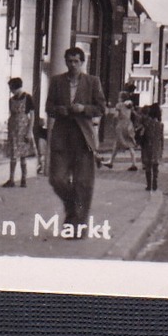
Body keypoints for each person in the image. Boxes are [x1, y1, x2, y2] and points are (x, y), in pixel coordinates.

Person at [46, 47, 107, 234]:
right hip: (62, 137)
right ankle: (72, 206)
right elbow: (49, 106)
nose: (72, 64)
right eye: (69, 61)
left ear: (82, 63)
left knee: (83, 183)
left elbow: (101, 108)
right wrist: (58, 110)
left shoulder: (92, 82)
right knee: (56, 178)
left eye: (76, 61)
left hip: (83, 139)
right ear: (65, 62)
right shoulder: (57, 82)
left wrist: (84, 109)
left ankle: (78, 226)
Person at [2, 77, 36, 188]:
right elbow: (11, 114)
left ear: (16, 87)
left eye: (11, 88)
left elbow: (32, 115)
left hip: (23, 128)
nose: (11, 90)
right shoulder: (11, 100)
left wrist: (29, 131)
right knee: (13, 154)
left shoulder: (28, 97)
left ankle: (23, 179)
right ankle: (11, 179)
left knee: (23, 155)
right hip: (13, 128)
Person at [104, 94, 141, 170]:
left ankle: (111, 161)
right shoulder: (130, 105)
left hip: (121, 125)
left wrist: (113, 122)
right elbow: (135, 114)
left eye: (119, 97)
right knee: (130, 144)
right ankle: (134, 163)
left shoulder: (119, 105)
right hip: (129, 125)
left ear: (121, 98)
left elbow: (116, 116)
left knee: (117, 143)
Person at [139, 103, 165, 192]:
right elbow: (161, 138)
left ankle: (148, 185)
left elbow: (142, 135)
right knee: (155, 166)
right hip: (156, 147)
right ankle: (155, 183)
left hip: (147, 146)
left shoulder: (147, 124)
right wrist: (162, 149)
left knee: (148, 166)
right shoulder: (160, 125)